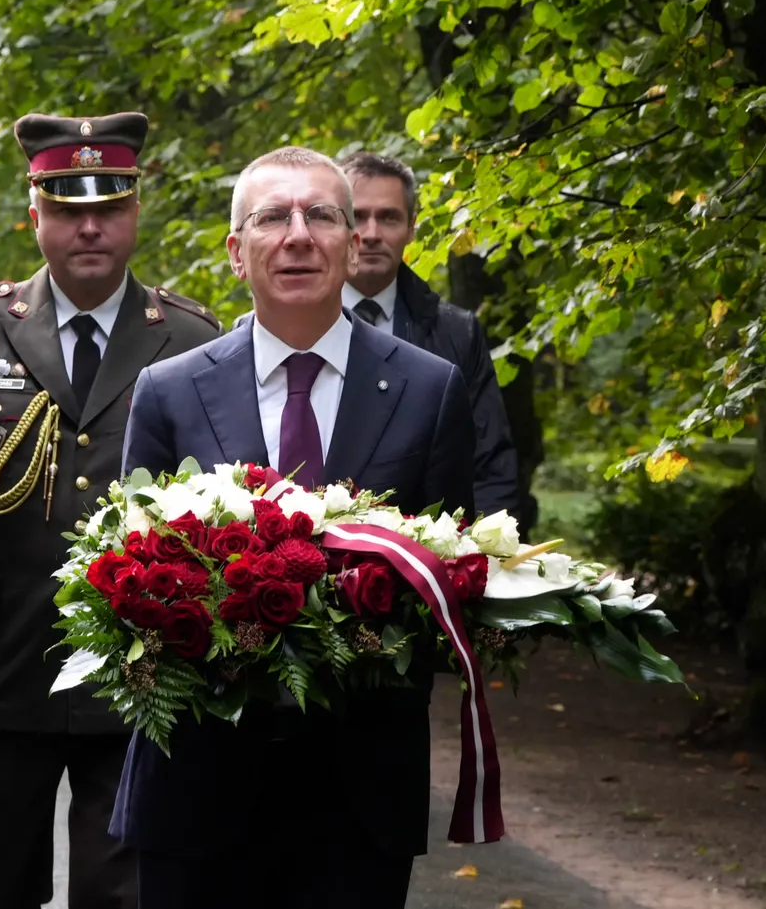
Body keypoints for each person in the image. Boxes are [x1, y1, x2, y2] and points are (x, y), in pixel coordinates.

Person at [113, 146, 475, 908]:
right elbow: (129, 583)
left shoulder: (431, 389)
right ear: (237, 252)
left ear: (353, 243)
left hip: (359, 793)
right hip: (196, 786)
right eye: (273, 216)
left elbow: (449, 586)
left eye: (322, 215)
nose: (299, 234)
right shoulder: (168, 391)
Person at [0, 111, 222, 909]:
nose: (90, 226)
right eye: (68, 208)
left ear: (138, 210)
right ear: (36, 213)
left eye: (109, 206)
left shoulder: (192, 340)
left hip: (143, 679)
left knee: (129, 899)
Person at [337, 151, 520, 521]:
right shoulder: (287, 325)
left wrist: (480, 563)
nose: (371, 234)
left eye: (389, 217)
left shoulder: (456, 333)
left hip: (425, 563)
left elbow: (491, 465)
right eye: (358, 216)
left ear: (411, 229)